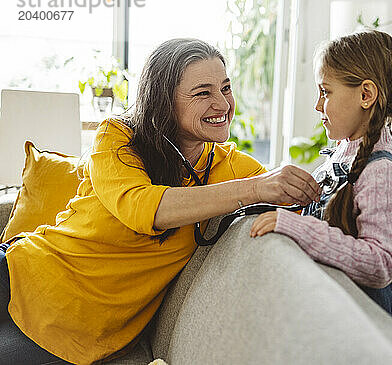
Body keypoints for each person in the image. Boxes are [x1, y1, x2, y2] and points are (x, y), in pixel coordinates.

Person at [0, 38, 321, 364]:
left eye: (225, 88)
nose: (223, 104)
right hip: (22, 272)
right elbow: (142, 208)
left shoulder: (233, 168)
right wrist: (253, 189)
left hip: (83, 328)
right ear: (165, 102)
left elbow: (304, 204)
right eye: (203, 93)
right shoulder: (117, 136)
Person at [250, 30, 392, 319]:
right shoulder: (343, 152)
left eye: (325, 92)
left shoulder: (382, 174)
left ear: (366, 95)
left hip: (355, 328)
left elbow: (380, 264)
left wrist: (296, 227)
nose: (317, 105)